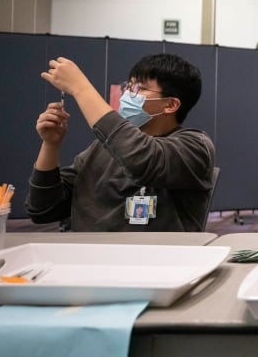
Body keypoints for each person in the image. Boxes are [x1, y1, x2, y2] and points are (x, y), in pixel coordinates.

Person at [26, 53, 215, 232]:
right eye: (128, 86)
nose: (127, 95)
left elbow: (142, 158)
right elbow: (43, 209)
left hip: (156, 261)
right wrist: (50, 145)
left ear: (170, 104)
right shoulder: (102, 149)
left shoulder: (194, 147)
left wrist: (80, 88)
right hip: (91, 258)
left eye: (139, 88)